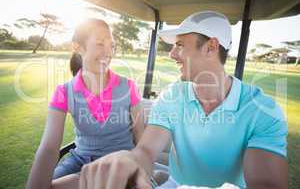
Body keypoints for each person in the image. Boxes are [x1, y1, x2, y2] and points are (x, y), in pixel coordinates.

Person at [67, 11, 288, 189]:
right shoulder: (173, 96)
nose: (172, 54)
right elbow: (145, 151)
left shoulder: (263, 110)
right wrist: (130, 159)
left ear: (211, 47)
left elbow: (266, 183)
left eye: (180, 45)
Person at [26, 18, 145, 189]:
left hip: (121, 163)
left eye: (111, 45)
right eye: (100, 44)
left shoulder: (129, 87)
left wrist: (138, 167)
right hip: (80, 161)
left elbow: (141, 138)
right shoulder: (64, 92)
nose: (108, 52)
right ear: (78, 47)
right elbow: (49, 147)